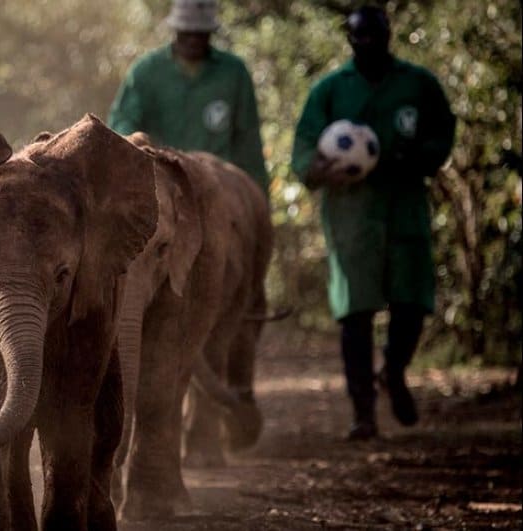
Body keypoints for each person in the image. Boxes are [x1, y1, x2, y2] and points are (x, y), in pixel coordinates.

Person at [291, 5, 456, 441]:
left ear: (387, 36)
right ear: (350, 40)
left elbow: (443, 132)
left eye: (374, 37)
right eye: (358, 38)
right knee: (355, 313)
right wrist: (321, 169)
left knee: (412, 301)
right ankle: (362, 411)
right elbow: (303, 151)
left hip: (404, 208)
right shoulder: (329, 89)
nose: (366, 45)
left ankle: (395, 370)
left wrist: (416, 156)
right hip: (352, 215)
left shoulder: (418, 84)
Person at [108, 0, 269, 192]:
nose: (193, 39)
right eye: (187, 32)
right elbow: (121, 124)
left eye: (200, 33)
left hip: (217, 190)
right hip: (161, 186)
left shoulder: (233, 73)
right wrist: (138, 149)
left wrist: (259, 200)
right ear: (175, 28)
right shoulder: (145, 72)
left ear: (211, 31)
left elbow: (248, 143)